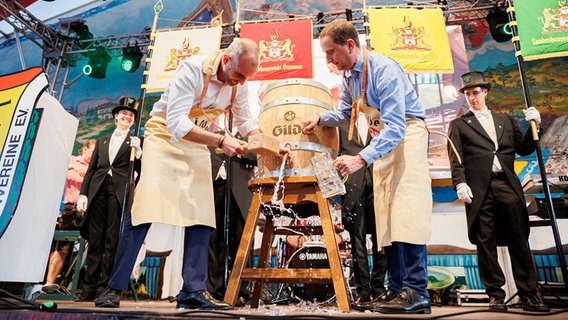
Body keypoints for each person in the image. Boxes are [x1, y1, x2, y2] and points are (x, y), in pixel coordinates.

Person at [94, 38, 288, 309]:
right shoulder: (191, 69)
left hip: (197, 143)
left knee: (202, 213)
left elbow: (245, 121)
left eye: (247, 78)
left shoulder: (239, 84)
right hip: (164, 137)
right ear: (226, 59)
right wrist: (221, 141)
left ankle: (193, 291)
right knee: (145, 210)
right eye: (239, 75)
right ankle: (113, 288)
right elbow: (175, 123)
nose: (241, 82)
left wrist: (266, 144)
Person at [301, 20, 432, 314]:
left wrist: (360, 159)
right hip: (382, 141)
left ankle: (417, 291)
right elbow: (346, 114)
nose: (329, 60)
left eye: (331, 52)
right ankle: (397, 289)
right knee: (387, 215)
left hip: (406, 134)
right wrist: (320, 119)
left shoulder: (385, 70)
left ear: (350, 45)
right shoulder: (350, 77)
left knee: (407, 209)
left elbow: (397, 126)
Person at [447, 71, 549, 312]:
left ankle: (528, 293)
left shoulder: (505, 120)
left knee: (518, 238)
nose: (472, 98)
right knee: (485, 241)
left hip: (507, 184)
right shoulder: (459, 124)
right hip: (478, 188)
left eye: (476, 93)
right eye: (468, 94)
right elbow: (456, 159)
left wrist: (536, 125)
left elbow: (524, 148)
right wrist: (459, 183)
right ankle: (495, 294)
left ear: (485, 92)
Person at [74, 97, 142, 301]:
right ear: (116, 116)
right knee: (95, 241)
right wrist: (84, 194)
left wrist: (139, 153)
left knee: (112, 241)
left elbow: (141, 171)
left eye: (131, 115)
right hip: (98, 190)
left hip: (119, 193)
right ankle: (88, 290)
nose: (127, 117)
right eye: (124, 114)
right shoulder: (102, 140)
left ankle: (105, 289)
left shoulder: (135, 141)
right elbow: (92, 169)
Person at [337, 124, 388, 305]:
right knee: (357, 244)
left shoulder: (381, 120)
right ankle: (363, 290)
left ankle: (379, 288)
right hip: (353, 190)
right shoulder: (341, 127)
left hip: (380, 186)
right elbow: (336, 157)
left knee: (381, 241)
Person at [206, 133, 256, 304]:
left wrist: (241, 150)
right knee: (214, 239)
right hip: (213, 185)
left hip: (240, 189)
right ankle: (214, 289)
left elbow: (258, 155)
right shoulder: (209, 129)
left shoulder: (249, 133)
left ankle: (242, 290)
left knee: (242, 239)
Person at [42, 139, 96, 294]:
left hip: (89, 210)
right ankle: (49, 283)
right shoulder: (71, 160)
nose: (93, 156)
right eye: (92, 152)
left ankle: (87, 287)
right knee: (63, 247)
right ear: (84, 149)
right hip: (71, 208)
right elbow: (54, 169)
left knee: (92, 248)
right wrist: (73, 166)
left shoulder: (95, 166)